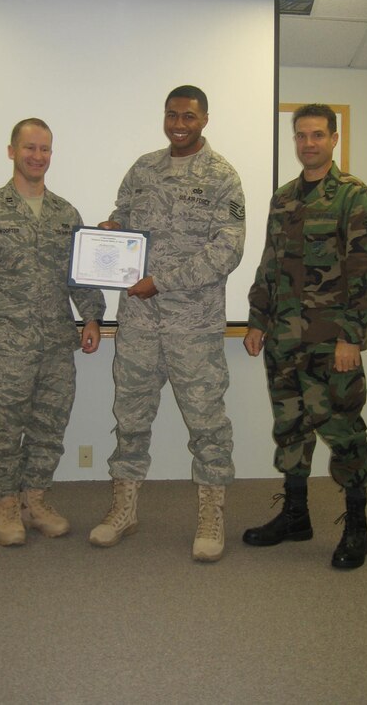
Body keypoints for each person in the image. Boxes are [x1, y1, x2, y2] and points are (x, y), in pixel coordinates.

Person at [89, 86, 245, 562]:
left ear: (205, 119)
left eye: (189, 116)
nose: (179, 123)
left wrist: (165, 281)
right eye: (173, 115)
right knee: (130, 417)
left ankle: (212, 515)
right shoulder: (143, 168)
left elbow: (227, 250)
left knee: (206, 423)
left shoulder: (222, 177)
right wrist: (111, 232)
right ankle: (124, 509)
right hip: (138, 322)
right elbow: (123, 216)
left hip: (193, 326)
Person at [242, 103, 367, 569]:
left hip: (331, 342)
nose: (309, 143)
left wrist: (352, 336)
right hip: (283, 338)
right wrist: (258, 318)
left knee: (343, 430)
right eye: (301, 135)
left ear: (334, 138)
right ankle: (296, 516)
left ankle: (358, 525)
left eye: (318, 135)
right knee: (291, 430)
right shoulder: (283, 198)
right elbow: (269, 262)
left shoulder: (353, 196)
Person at [0, 118, 106, 547]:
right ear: (12, 151)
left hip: (57, 343)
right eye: (30, 148)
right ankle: (5, 504)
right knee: (4, 428)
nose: (38, 156)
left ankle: (35, 500)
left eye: (45, 149)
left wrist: (92, 316)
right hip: (5, 345)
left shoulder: (65, 213)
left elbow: (81, 276)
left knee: (49, 426)